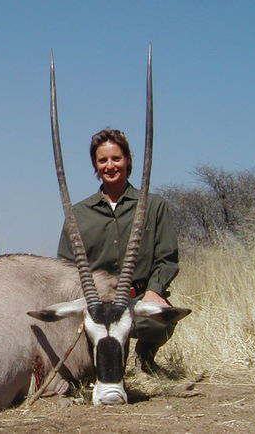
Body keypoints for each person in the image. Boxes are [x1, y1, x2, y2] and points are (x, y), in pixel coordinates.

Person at [57, 128, 179, 374]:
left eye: (116, 158)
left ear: (128, 160)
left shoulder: (154, 206)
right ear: (95, 164)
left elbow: (167, 259)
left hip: (136, 300)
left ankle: (144, 358)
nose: (110, 166)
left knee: (161, 322)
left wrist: (154, 291)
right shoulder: (78, 213)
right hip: (96, 304)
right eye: (102, 160)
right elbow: (65, 266)